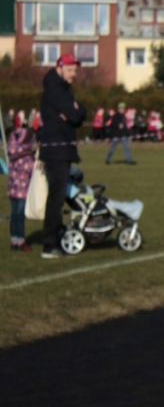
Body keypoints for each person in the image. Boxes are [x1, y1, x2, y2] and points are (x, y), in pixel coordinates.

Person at [38, 53, 86, 259]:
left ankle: (57, 237)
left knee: (60, 196)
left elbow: (79, 113)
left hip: (62, 150)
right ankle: (50, 244)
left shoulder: (63, 89)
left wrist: (76, 110)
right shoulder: (55, 90)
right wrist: (74, 111)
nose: (74, 74)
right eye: (70, 70)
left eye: (75, 70)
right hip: (56, 151)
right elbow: (75, 116)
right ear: (60, 68)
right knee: (56, 198)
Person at [7, 113, 36, 252]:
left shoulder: (13, 154)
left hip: (12, 187)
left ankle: (14, 240)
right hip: (23, 189)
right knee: (19, 216)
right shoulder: (27, 158)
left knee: (14, 215)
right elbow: (31, 172)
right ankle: (20, 240)